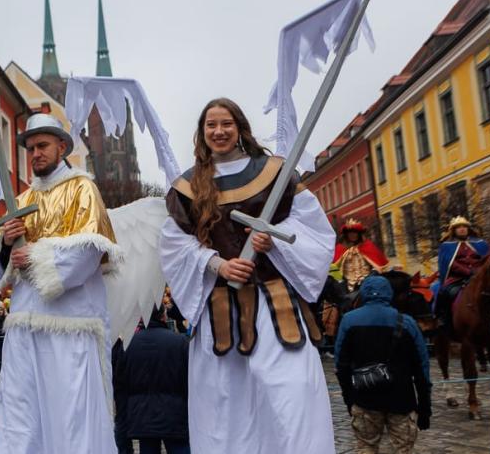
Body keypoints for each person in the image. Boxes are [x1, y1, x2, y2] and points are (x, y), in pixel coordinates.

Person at [160, 98, 335, 453]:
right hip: (221, 314)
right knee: (225, 410)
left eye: (226, 123)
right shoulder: (189, 186)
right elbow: (174, 244)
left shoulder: (275, 172)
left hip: (276, 307)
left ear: (239, 128)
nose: (219, 131)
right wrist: (216, 264)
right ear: (202, 132)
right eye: (211, 125)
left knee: (290, 399)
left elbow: (314, 228)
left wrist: (277, 243)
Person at [0, 113, 122, 453]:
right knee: (22, 415)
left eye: (43, 146)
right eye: (31, 148)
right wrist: (6, 245)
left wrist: (33, 255)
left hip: (71, 326)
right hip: (25, 326)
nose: (35, 153)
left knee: (71, 415)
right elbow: (2, 272)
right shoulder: (21, 200)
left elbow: (88, 253)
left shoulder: (83, 189)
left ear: (62, 147)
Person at [335, 275, 431, 454]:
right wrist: (425, 407)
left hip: (364, 398)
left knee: (366, 447)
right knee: (403, 450)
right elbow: (422, 368)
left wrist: (349, 399)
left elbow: (341, 365)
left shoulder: (348, 321)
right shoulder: (407, 323)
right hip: (402, 399)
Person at [113, 305, 190, 454]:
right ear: (163, 316)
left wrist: (122, 426)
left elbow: (121, 387)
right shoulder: (180, 342)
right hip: (175, 417)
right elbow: (188, 382)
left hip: (142, 419)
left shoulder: (128, 345)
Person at [435, 216, 490, 327]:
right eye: (458, 227)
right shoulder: (446, 246)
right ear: (454, 230)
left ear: (468, 229)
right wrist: (468, 272)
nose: (462, 229)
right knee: (445, 292)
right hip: (457, 278)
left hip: (479, 276)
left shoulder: (480, 243)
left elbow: (486, 258)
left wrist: (478, 271)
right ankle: (442, 318)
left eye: (464, 226)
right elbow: (450, 263)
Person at [333, 219, 390, 293]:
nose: (353, 235)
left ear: (359, 234)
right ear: (346, 235)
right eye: (350, 233)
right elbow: (334, 268)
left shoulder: (368, 246)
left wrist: (372, 275)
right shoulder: (340, 248)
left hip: (367, 284)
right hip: (346, 286)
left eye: (355, 233)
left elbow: (379, 266)